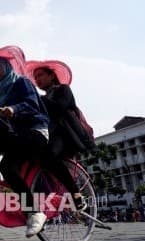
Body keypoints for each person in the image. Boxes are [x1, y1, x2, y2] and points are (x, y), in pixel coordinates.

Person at [0, 46, 49, 238]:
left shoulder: (22, 83)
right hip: (15, 137)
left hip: (35, 132)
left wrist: (14, 109)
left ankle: (35, 212)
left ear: (6, 67)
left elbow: (32, 104)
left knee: (7, 166)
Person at [25, 60, 96, 210]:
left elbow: (60, 108)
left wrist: (40, 100)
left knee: (48, 155)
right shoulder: (40, 99)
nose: (37, 80)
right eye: (35, 77)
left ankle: (75, 193)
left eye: (41, 75)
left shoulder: (63, 90)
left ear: (52, 76)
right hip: (48, 136)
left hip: (64, 135)